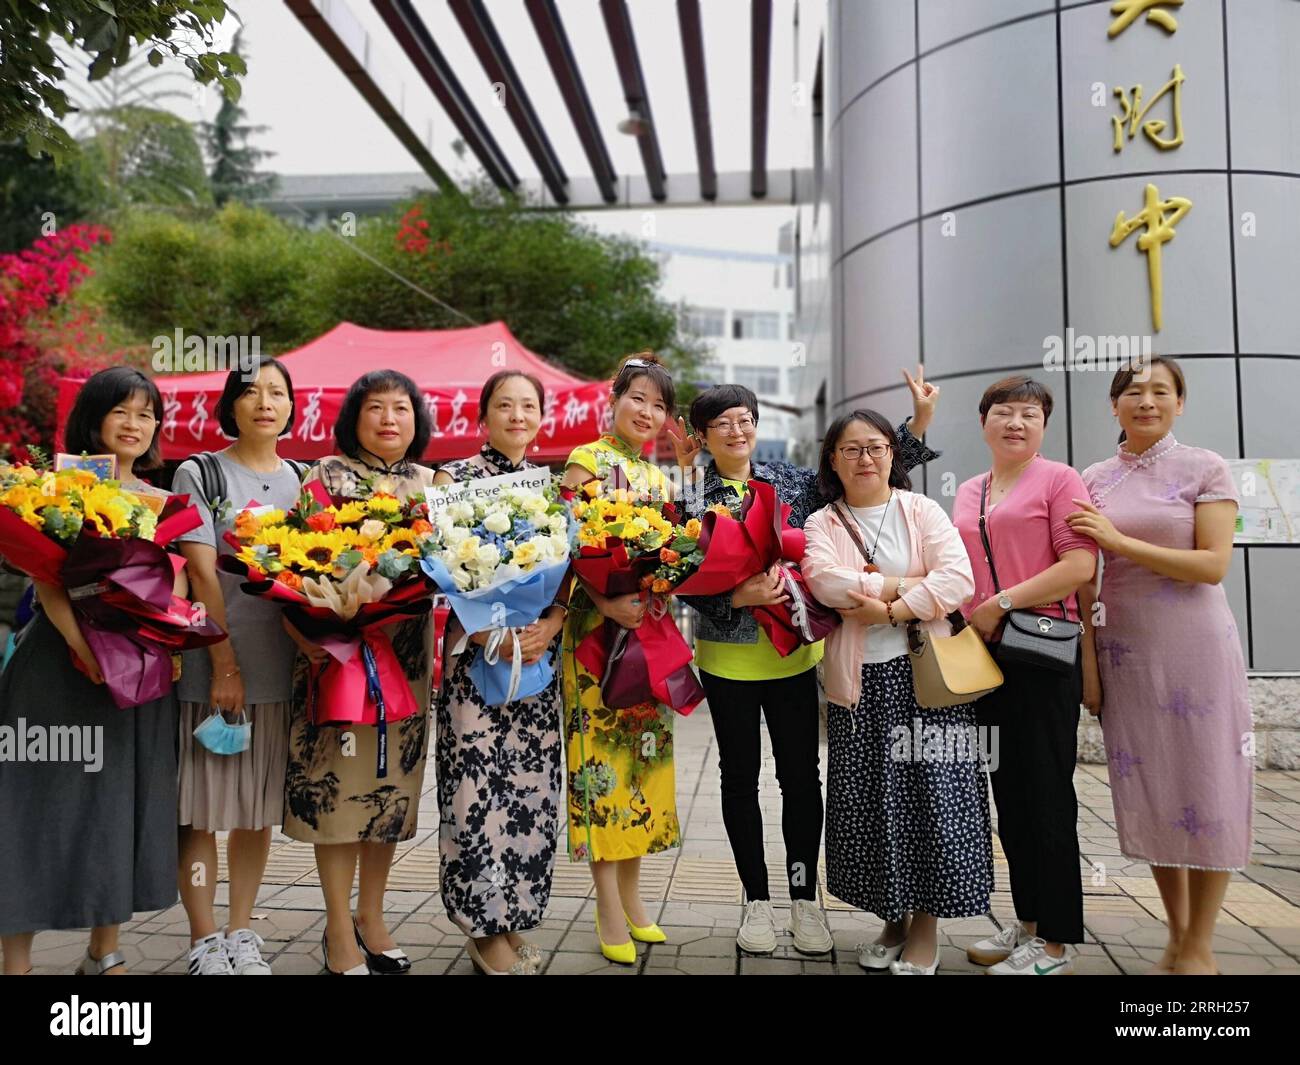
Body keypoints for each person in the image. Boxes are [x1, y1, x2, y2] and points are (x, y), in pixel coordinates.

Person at [673, 368, 941, 958]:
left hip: (795, 657)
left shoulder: (792, 482)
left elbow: (866, 471)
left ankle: (804, 898)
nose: (736, 431)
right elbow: (672, 575)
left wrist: (915, 425)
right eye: (722, 424)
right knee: (738, 779)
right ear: (701, 434)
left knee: (800, 777)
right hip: (728, 660)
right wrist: (730, 598)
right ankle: (755, 901)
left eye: (745, 420)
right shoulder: (688, 498)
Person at [0, 368, 182, 975]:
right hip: (58, 667)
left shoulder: (161, 502)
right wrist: (86, 649)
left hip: (136, 674)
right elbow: (48, 581)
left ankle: (103, 951)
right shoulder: (59, 488)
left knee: (120, 804)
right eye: (122, 412)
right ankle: (16, 963)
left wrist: (173, 642)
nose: (135, 425)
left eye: (147, 414)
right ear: (95, 418)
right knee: (33, 806)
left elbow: (170, 589)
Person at [1073, 356, 1251, 975]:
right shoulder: (1093, 478)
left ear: (1180, 403)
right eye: (1132, 391)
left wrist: (1120, 542)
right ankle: (1175, 933)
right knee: (1149, 787)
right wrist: (1090, 667)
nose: (1146, 400)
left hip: (1196, 647)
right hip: (1125, 650)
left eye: (1160, 391)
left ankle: (1201, 942)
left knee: (1209, 783)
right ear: (1114, 405)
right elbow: (1084, 585)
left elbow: (1213, 565)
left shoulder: (1205, 467)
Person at [802, 410, 989, 975]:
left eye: (877, 447)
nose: (865, 458)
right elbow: (824, 581)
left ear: (893, 455)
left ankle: (926, 929)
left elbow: (958, 579)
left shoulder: (922, 509)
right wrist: (909, 584)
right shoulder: (822, 522)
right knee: (873, 805)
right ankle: (893, 918)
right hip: (861, 685)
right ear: (832, 458)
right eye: (852, 449)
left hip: (928, 680)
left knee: (934, 800)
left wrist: (888, 607)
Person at [281, 370, 435, 975]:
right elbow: (290, 565)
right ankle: (338, 928)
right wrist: (312, 636)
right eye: (377, 408)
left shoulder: (431, 485)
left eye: (402, 407)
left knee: (390, 791)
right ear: (354, 417)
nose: (391, 419)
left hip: (406, 656)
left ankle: (373, 915)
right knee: (340, 791)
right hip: (337, 654)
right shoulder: (323, 477)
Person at [951, 375, 1097, 976]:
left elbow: (1081, 563)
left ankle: (1058, 941)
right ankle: (1030, 923)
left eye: (1029, 413)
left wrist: (1001, 602)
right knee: (1007, 797)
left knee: (1048, 796)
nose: (1016, 422)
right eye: (1004, 412)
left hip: (1041, 653)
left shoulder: (1062, 480)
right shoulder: (969, 488)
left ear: (1043, 425)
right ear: (984, 422)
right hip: (985, 657)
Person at [172, 357, 306, 975]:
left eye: (277, 393)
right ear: (231, 405)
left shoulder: (303, 480)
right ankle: (203, 939)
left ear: (290, 407)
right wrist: (223, 662)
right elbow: (201, 570)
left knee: (255, 811)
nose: (265, 402)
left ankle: (241, 931)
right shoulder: (198, 471)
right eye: (251, 392)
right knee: (200, 808)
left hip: (279, 669)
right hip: (213, 664)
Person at [432, 370, 566, 976]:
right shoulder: (452, 480)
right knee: (474, 793)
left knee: (531, 793)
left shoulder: (555, 488)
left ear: (542, 416)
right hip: (475, 661)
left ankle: (515, 919)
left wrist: (550, 625)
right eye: (504, 405)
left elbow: (573, 579)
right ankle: (481, 928)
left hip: (534, 662)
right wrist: (487, 627)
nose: (517, 415)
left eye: (528, 405)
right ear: (482, 416)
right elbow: (433, 572)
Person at [560, 352, 678, 964]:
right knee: (600, 769)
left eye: (660, 406)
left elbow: (674, 557)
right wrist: (606, 604)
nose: (648, 413)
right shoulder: (586, 462)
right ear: (614, 398)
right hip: (594, 639)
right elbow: (562, 552)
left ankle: (635, 901)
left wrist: (663, 583)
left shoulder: (660, 480)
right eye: (639, 398)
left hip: (645, 639)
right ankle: (607, 905)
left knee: (643, 769)